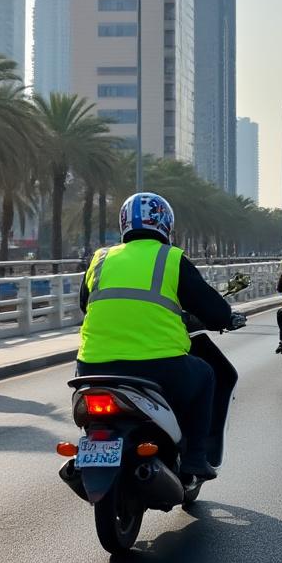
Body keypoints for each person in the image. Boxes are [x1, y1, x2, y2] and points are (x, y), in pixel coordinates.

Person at [75, 192, 234, 481]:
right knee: (207, 375)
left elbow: (85, 304)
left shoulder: (100, 259)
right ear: (165, 223)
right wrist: (224, 318)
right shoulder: (171, 259)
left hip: (91, 368)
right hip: (159, 368)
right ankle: (196, 457)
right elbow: (216, 312)